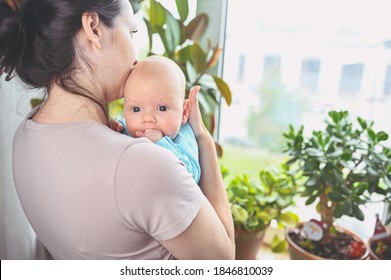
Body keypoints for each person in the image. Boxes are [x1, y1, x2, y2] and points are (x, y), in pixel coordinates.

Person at [0, 0, 234, 259]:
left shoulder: (24, 137)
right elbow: (224, 262)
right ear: (94, 29)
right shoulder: (144, 165)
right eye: (132, 31)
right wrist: (202, 138)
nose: (136, 57)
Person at [121, 55, 200, 183]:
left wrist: (161, 143)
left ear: (184, 112)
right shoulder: (129, 129)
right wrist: (116, 127)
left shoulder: (182, 137)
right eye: (136, 109)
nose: (148, 118)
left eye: (162, 108)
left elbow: (191, 175)